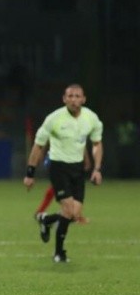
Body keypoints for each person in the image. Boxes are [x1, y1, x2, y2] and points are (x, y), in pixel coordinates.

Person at [24, 84, 103, 263]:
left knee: (75, 214)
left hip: (77, 168)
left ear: (84, 99)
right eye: (70, 96)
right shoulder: (54, 119)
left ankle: (46, 220)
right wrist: (30, 173)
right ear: (64, 99)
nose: (74, 100)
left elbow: (97, 143)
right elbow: (38, 145)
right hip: (58, 166)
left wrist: (97, 169)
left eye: (77, 96)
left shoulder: (91, 119)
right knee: (67, 209)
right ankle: (59, 253)